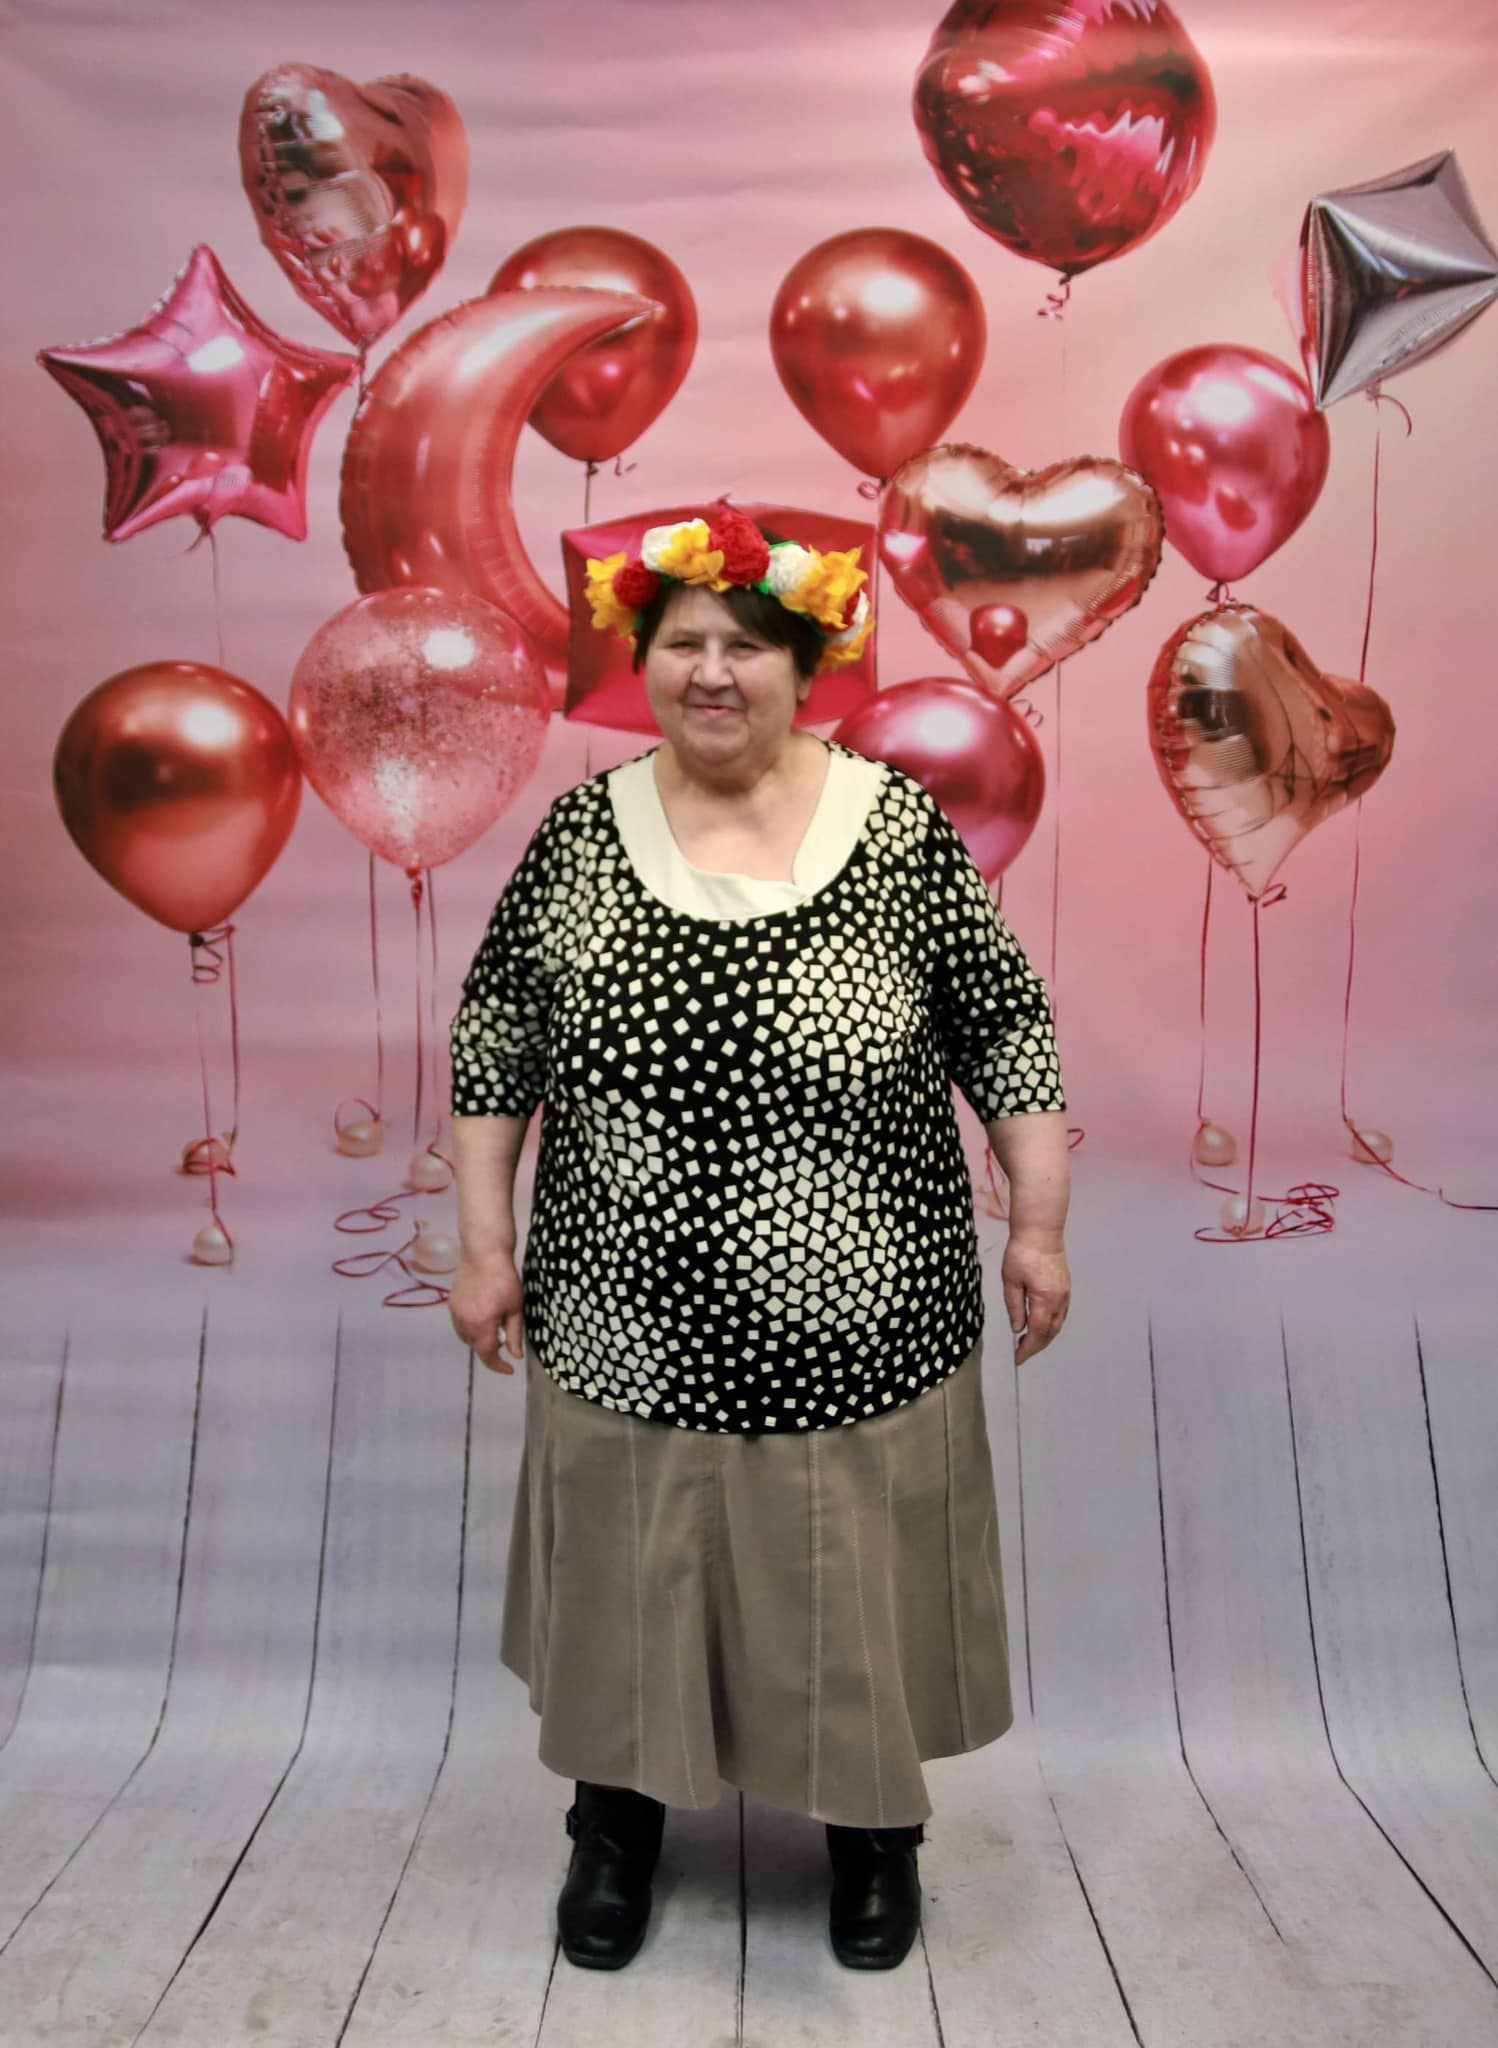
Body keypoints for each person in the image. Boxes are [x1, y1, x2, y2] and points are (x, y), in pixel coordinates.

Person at [447, 505, 1071, 1973]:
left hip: (869, 1322)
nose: (712, 673)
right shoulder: (582, 835)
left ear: (807, 667)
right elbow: (495, 1042)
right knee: (631, 1576)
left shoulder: (894, 828)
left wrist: (1037, 1224)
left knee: (848, 1583)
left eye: (746, 646)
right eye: (683, 644)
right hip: (622, 1318)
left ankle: (873, 1834)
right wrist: (482, 1247)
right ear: (643, 660)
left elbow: (1003, 1023)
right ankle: (614, 1829)